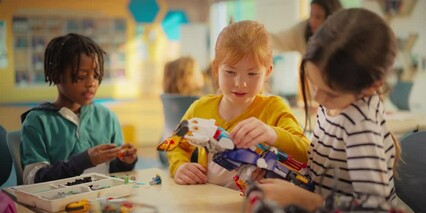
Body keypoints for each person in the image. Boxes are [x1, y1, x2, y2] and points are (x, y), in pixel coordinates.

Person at [259, 8, 399, 210]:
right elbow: (319, 173)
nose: (318, 98)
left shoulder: (360, 125)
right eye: (314, 84)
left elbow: (376, 211)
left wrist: (304, 200)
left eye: (330, 93)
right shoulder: (335, 103)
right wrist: (276, 170)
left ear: (371, 87)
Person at [166, 20, 310, 189]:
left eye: (252, 74)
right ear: (216, 68)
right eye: (230, 72)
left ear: (267, 72)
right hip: (205, 204)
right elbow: (175, 143)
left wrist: (272, 134)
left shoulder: (275, 108)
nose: (240, 83)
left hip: (250, 206)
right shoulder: (200, 108)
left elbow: (306, 152)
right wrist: (179, 166)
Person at [20, 33, 138, 184]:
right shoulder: (37, 122)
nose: (91, 83)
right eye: (82, 76)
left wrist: (125, 161)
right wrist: (83, 161)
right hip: (58, 204)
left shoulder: (107, 117)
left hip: (103, 200)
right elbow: (32, 180)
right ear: (57, 75)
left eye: (96, 76)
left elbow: (115, 172)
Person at [270, 0, 342, 55]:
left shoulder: (344, 38)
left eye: (318, 17)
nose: (311, 21)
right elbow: (277, 40)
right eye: (311, 15)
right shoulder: (303, 29)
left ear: (331, 19)